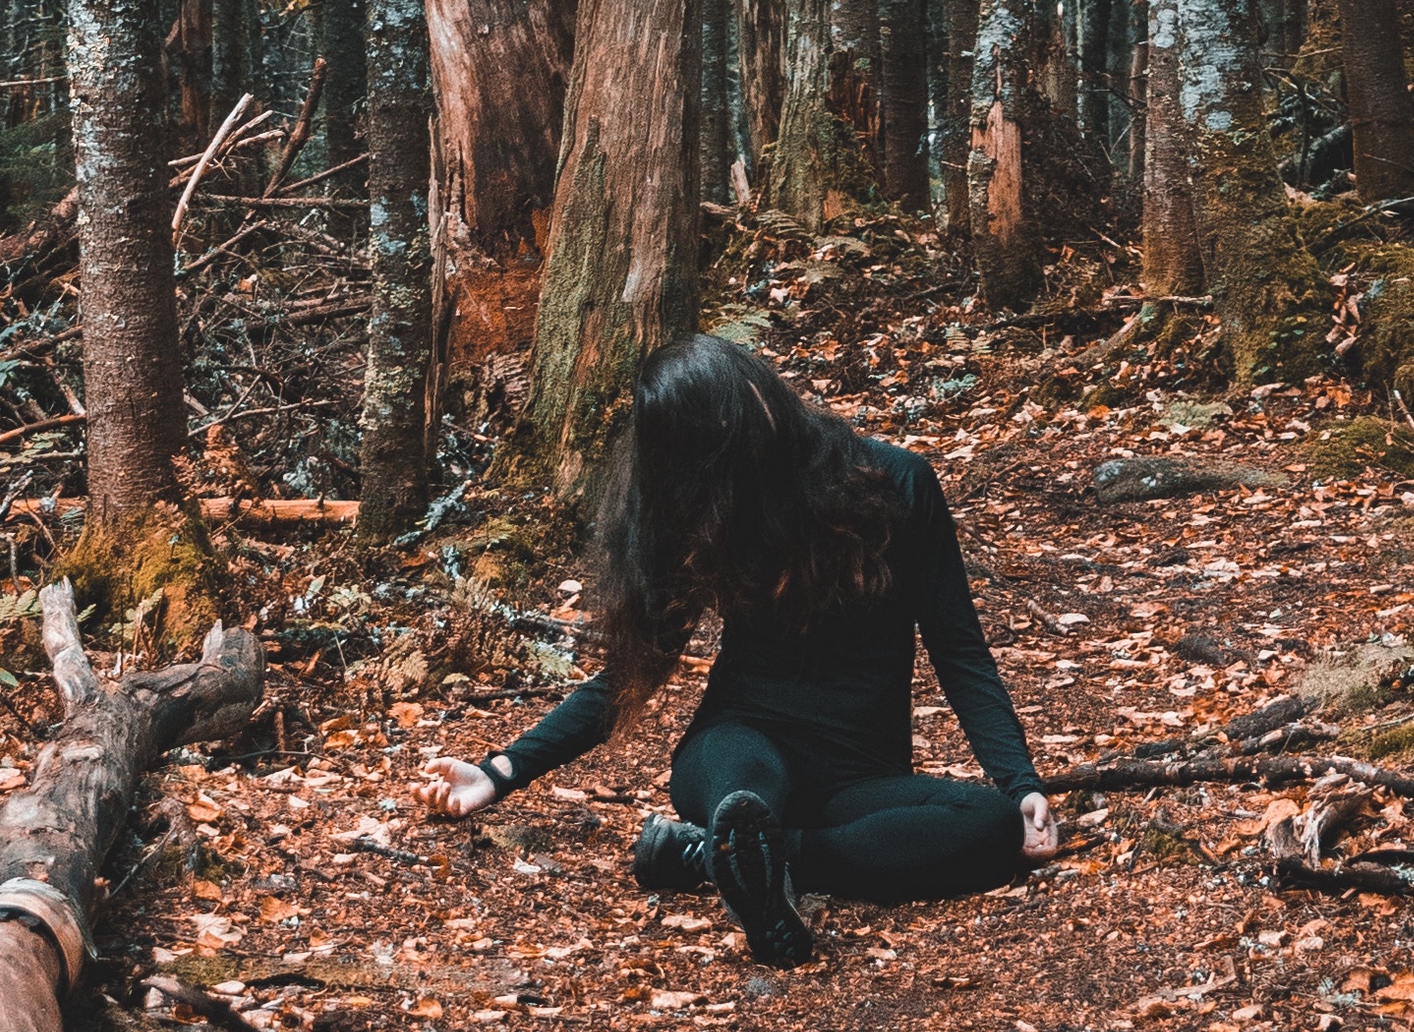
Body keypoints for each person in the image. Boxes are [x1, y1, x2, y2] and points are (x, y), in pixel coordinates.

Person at [409, 335, 1058, 963]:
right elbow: (632, 673)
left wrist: (1021, 785)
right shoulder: (708, 517)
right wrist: (499, 772)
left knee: (993, 827)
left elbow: (961, 652)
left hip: (859, 781)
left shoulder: (898, 484)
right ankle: (744, 847)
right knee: (741, 793)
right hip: (738, 753)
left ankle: (725, 858)